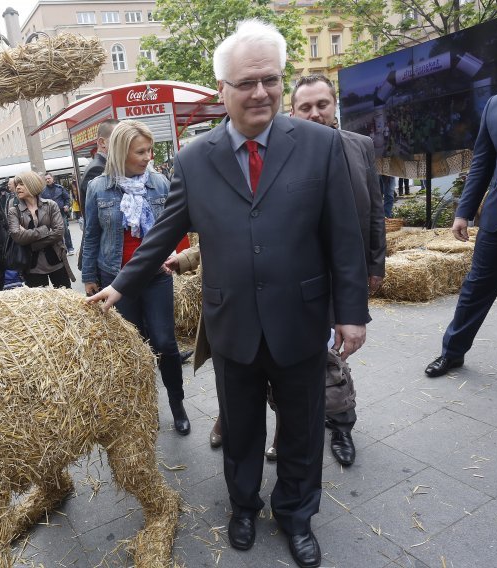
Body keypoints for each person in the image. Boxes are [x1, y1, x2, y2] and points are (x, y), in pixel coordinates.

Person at [88, 20, 369, 568]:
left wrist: (352, 314)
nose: (261, 91)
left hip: (301, 318)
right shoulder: (194, 158)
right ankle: (243, 505)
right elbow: (163, 234)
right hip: (232, 321)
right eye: (247, 82)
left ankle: (295, 513)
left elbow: (344, 236)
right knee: (240, 427)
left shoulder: (319, 144)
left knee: (303, 426)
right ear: (223, 91)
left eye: (270, 79)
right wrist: (120, 287)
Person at [290, 73, 386, 467]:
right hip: (297, 274)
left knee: (335, 356)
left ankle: (342, 425)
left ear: (335, 105)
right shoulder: (282, 152)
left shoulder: (359, 145)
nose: (315, 113)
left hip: (343, 273)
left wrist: (375, 264)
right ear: (293, 111)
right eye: (305, 107)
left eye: (322, 105)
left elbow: (376, 209)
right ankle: (293, 426)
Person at [82, 120, 190, 436]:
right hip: (115, 278)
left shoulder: (159, 183)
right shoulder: (98, 188)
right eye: (140, 152)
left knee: (165, 344)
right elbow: (91, 234)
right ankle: (144, 409)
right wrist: (89, 275)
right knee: (133, 349)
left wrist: (177, 255)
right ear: (120, 152)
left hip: (155, 276)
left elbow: (175, 225)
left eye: (150, 150)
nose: (148, 157)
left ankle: (177, 403)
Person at [425, 88, 497, 378]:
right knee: (475, 289)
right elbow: (482, 162)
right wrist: (463, 212)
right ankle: (452, 352)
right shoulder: (496, 104)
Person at [7, 172, 75, 288]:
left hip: (56, 261)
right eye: (17, 184)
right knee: (40, 305)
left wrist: (31, 243)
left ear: (32, 185)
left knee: (65, 299)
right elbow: (17, 236)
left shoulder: (50, 205)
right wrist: (44, 230)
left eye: (21, 184)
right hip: (32, 266)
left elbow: (59, 232)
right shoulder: (14, 211)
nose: (17, 187)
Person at [78, 119, 119, 269]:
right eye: (118, 139)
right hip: (103, 256)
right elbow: (94, 225)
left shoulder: (103, 166)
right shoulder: (98, 170)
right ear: (102, 143)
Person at [42, 172, 74, 255]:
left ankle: (70, 247)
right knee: (56, 233)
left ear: (53, 178)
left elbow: (67, 199)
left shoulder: (60, 188)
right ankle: (62, 249)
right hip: (50, 215)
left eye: (49, 178)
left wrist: (67, 205)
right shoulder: (43, 191)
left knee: (65, 230)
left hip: (61, 213)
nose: (47, 180)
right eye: (46, 179)